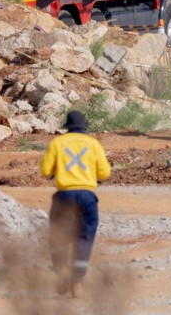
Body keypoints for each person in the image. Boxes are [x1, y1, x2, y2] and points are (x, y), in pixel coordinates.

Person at [39, 110, 112, 298]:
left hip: (64, 196)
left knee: (58, 233)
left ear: (67, 127)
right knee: (84, 236)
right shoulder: (93, 144)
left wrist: (56, 172)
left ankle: (61, 270)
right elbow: (104, 173)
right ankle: (77, 282)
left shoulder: (57, 143)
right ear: (84, 127)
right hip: (88, 196)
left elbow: (46, 170)